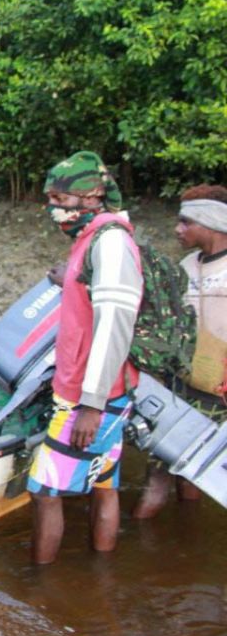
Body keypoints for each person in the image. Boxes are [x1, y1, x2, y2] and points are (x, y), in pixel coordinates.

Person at [26, 151, 142, 564]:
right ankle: (100, 576)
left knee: (44, 491)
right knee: (104, 484)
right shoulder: (93, 239)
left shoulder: (111, 243)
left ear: (92, 196)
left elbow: (114, 325)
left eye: (60, 200)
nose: (53, 210)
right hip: (105, 392)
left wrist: (91, 404)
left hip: (92, 398)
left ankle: (39, 588)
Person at [133, 184, 227, 517]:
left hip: (218, 396)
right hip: (180, 388)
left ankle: (135, 549)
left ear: (211, 223)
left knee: (163, 478)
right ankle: (185, 533)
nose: (178, 229)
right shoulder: (187, 266)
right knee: (176, 470)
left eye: (186, 222)